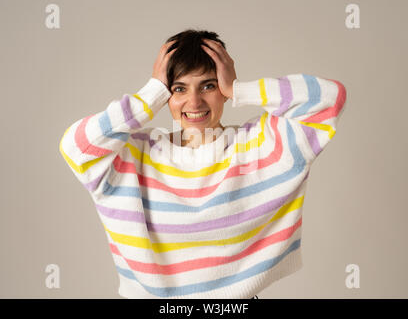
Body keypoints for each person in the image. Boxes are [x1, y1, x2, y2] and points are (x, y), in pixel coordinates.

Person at [59, 29, 347, 299]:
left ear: (222, 88)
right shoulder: (135, 157)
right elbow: (76, 147)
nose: (194, 102)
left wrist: (239, 89)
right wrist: (150, 94)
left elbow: (328, 99)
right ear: (165, 96)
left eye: (208, 86)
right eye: (179, 89)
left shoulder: (260, 146)